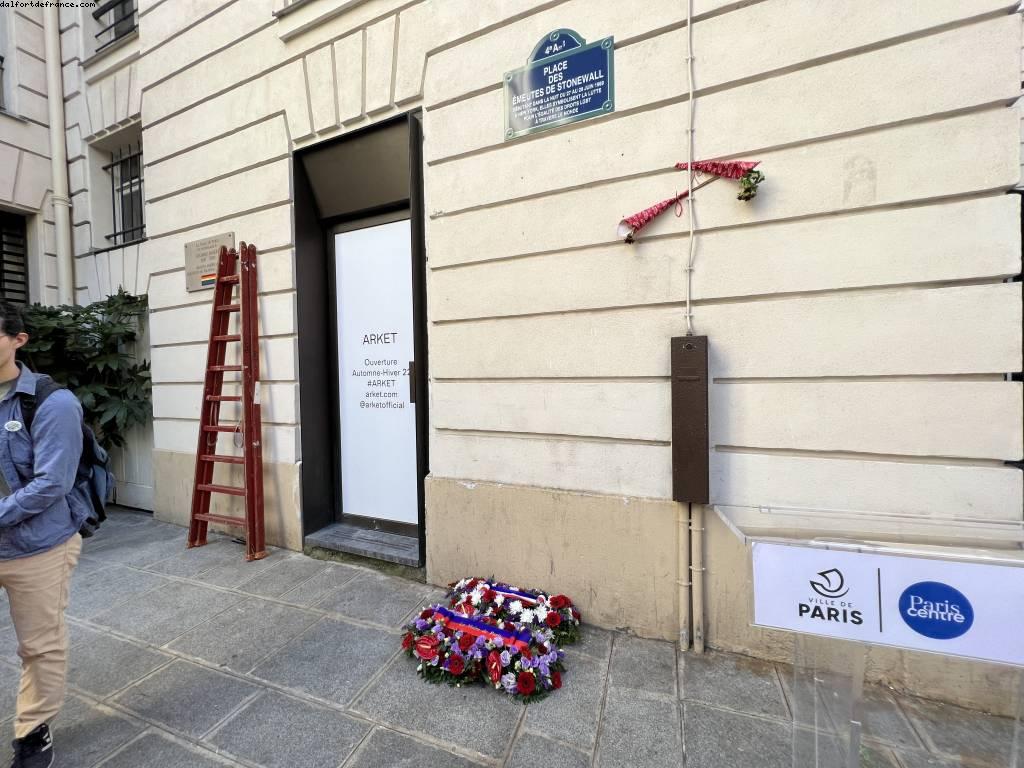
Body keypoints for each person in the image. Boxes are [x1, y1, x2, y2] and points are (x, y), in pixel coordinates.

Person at [0, 301, 88, 768]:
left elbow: (52, 483)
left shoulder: (51, 402)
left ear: (18, 340)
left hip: (36, 547)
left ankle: (33, 732)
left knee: (40, 644)